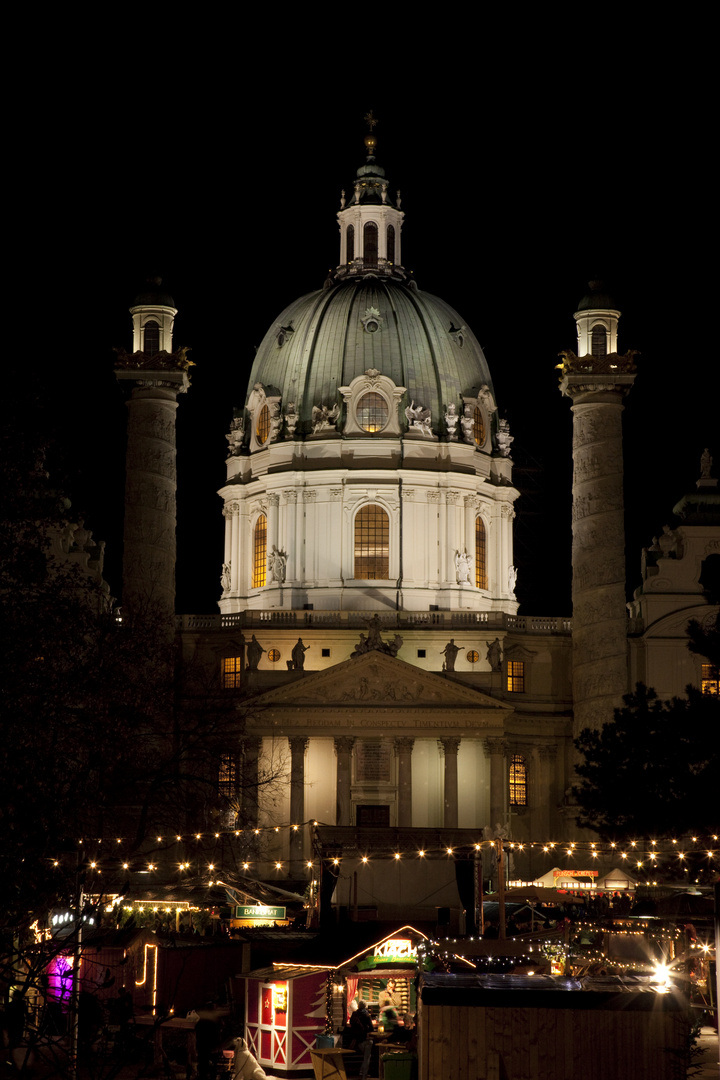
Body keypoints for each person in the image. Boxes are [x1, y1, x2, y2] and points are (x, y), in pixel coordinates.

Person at [349, 999, 373, 1080]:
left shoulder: (354, 1014)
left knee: (367, 1056)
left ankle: (362, 1072)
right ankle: (364, 1075)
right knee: (367, 1057)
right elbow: (371, 1028)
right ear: (365, 1006)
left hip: (357, 1041)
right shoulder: (367, 1015)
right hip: (366, 1040)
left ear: (358, 1006)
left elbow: (351, 1025)